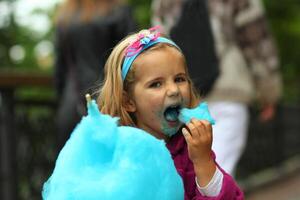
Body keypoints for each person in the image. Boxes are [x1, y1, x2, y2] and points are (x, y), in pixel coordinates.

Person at [96, 27, 244, 199]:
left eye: (179, 79)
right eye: (156, 84)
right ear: (128, 102)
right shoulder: (118, 159)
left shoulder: (192, 152)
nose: (174, 90)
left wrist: (204, 162)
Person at [152, 0, 282, 176]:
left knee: (192, 174)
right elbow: (257, 40)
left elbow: (160, 46)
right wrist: (269, 92)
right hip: (228, 90)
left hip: (183, 98)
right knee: (218, 174)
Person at [54, 0, 137, 151]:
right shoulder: (119, 12)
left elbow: (60, 71)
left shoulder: (65, 18)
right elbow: (132, 60)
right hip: (111, 104)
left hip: (71, 108)